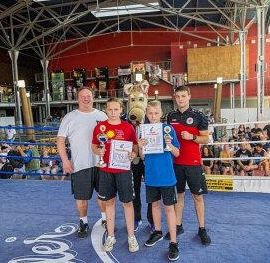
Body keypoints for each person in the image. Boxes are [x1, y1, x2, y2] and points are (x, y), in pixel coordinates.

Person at [57, 86, 108, 238]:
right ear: (78, 99)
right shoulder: (70, 117)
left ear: (93, 97)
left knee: (104, 195)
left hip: (101, 163)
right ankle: (83, 223)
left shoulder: (102, 115)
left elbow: (110, 139)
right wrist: (65, 161)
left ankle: (106, 220)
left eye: (88, 96)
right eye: (82, 96)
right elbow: (60, 141)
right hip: (80, 164)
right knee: (81, 197)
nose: (86, 98)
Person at [91, 98, 139, 253]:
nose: (113, 112)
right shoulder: (100, 127)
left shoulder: (128, 127)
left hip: (124, 170)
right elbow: (93, 145)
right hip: (106, 170)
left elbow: (135, 146)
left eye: (116, 109)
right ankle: (111, 235)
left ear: (121, 110)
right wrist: (99, 151)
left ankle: (131, 236)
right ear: (106, 110)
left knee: (128, 204)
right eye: (110, 109)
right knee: (109, 203)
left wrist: (133, 154)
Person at [166, 85, 211, 245]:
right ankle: (178, 226)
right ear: (175, 98)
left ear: (189, 96)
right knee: (178, 196)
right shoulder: (170, 116)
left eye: (183, 96)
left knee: (197, 197)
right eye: (178, 97)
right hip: (175, 163)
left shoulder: (199, 116)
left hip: (193, 163)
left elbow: (206, 139)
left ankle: (202, 228)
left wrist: (192, 137)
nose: (180, 99)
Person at [138, 101, 180, 261]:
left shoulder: (168, 130)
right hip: (151, 176)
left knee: (169, 208)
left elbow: (177, 153)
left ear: (161, 113)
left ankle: (174, 242)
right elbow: (142, 157)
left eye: (156, 113)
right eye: (150, 113)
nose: (153, 116)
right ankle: (158, 232)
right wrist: (140, 147)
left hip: (167, 176)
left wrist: (170, 145)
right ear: (147, 114)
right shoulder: (144, 131)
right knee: (154, 205)